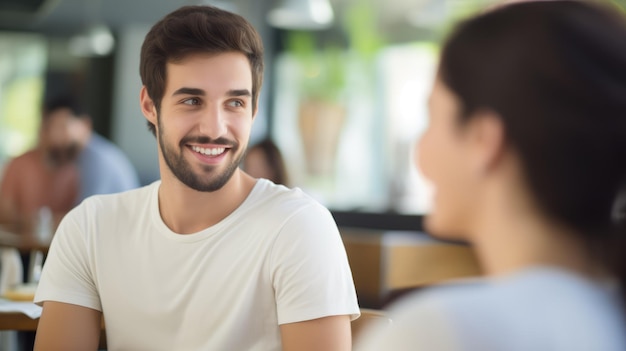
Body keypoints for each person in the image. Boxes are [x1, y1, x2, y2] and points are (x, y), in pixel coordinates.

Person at [34, 5, 359, 351]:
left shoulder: (298, 228)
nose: (215, 129)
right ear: (149, 105)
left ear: (254, 109)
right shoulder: (90, 228)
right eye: (192, 100)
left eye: (234, 103)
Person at [356, 1, 626, 350]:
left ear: (483, 141)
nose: (421, 153)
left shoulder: (440, 331)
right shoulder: (607, 315)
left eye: (433, 118)